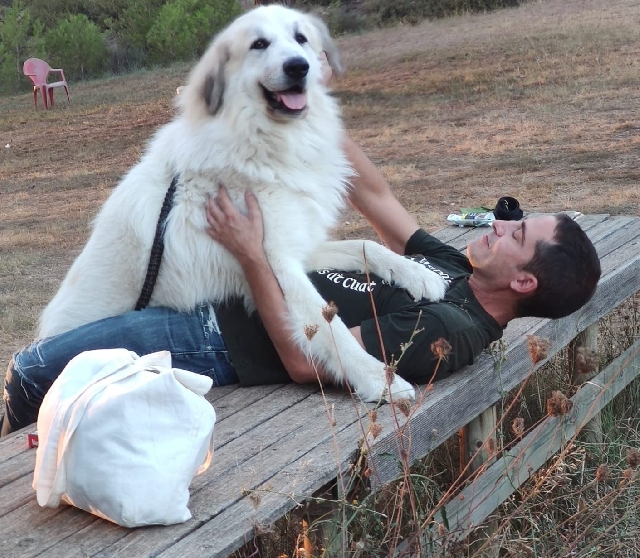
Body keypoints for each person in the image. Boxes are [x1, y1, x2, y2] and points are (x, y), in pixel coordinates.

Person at [0, 135, 601, 436]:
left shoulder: (451, 329)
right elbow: (379, 199)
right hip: (218, 282)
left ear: (523, 280)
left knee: (32, 372)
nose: (498, 223)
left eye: (516, 232)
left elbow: (303, 361)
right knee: (62, 353)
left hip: (220, 337)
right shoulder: (455, 272)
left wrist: (252, 252)